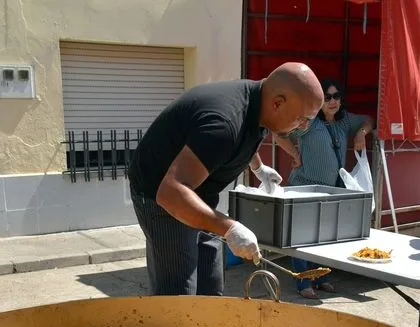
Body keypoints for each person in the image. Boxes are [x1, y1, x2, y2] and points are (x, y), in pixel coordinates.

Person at [126, 63, 324, 296]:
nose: (304, 126)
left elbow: (243, 137)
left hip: (198, 191)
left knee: (210, 285)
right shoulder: (223, 123)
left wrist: (258, 168)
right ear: (277, 103)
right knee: (179, 293)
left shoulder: (261, 104)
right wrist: (229, 228)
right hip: (162, 195)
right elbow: (171, 192)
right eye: (301, 118)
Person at [275, 78, 374, 298]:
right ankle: (303, 283)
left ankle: (321, 278)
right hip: (304, 188)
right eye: (327, 97)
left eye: (336, 96)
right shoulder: (309, 122)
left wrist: (361, 133)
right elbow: (279, 133)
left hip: (331, 192)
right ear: (319, 100)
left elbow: (369, 120)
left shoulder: (345, 121)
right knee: (301, 237)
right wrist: (294, 154)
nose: (332, 101)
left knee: (324, 237)